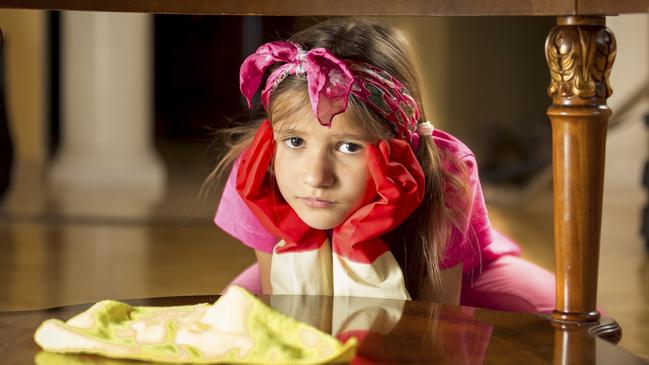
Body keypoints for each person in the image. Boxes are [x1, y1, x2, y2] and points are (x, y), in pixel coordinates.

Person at [209, 18, 555, 313]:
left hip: (451, 276)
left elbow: (437, 327)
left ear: (400, 147)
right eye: (295, 141)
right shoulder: (262, 169)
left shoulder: (445, 171)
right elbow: (285, 311)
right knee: (231, 316)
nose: (315, 177)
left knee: (562, 325)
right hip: (306, 264)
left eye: (348, 146)